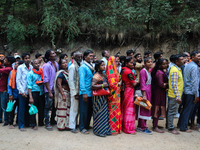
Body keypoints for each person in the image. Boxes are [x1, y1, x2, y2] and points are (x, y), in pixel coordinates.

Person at [178, 51, 200, 132]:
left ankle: (180, 124)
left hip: (186, 90)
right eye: (198, 56)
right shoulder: (194, 67)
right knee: (188, 110)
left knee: (184, 109)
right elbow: (194, 82)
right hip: (191, 91)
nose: (199, 58)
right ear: (192, 57)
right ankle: (183, 127)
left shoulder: (187, 65)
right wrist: (196, 94)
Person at [91, 60, 111, 137]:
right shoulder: (96, 76)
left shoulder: (104, 74)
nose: (104, 67)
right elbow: (92, 86)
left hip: (104, 96)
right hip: (98, 97)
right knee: (99, 113)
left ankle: (105, 130)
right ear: (98, 67)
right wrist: (103, 85)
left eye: (104, 65)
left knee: (104, 113)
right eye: (102, 65)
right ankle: (99, 131)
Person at [167, 54, 184, 134]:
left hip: (176, 94)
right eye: (182, 59)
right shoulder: (174, 70)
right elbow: (174, 84)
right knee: (172, 111)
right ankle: (170, 127)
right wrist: (177, 96)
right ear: (176, 61)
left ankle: (169, 125)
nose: (184, 60)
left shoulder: (177, 69)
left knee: (171, 110)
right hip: (174, 95)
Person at [79, 50, 94, 134]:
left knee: (89, 110)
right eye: (90, 56)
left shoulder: (90, 66)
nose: (91, 57)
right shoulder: (83, 67)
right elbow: (82, 81)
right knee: (83, 111)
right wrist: (84, 92)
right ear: (85, 57)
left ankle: (87, 125)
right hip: (85, 93)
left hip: (91, 92)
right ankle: (82, 127)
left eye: (92, 56)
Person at [105, 56, 122, 134]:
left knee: (116, 111)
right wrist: (119, 84)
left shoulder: (115, 70)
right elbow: (112, 84)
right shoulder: (110, 71)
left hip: (117, 94)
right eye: (116, 61)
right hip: (113, 95)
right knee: (113, 111)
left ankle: (117, 128)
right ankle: (113, 129)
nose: (117, 63)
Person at [121, 56, 137, 134]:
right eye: (131, 62)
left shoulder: (122, 69)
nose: (132, 64)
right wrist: (137, 80)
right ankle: (128, 128)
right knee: (129, 110)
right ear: (126, 63)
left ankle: (124, 126)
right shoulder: (128, 72)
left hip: (125, 90)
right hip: (129, 90)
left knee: (125, 108)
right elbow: (134, 83)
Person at [43, 50, 59, 131]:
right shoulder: (46, 66)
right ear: (49, 57)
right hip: (49, 89)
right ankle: (47, 122)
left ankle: (52, 120)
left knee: (54, 106)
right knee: (47, 106)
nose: (55, 54)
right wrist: (49, 92)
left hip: (55, 89)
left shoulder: (56, 64)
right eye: (53, 53)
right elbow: (45, 80)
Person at [16, 53, 33, 131]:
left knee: (28, 108)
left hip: (29, 91)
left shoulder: (31, 67)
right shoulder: (20, 68)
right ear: (23, 59)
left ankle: (27, 123)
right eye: (26, 58)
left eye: (28, 58)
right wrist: (22, 91)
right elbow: (18, 80)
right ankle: (21, 125)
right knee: (21, 109)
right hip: (22, 92)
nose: (27, 60)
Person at [151, 59, 168, 133]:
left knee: (158, 108)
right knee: (157, 108)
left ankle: (155, 124)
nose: (165, 65)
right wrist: (168, 84)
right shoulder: (159, 73)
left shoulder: (160, 72)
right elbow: (161, 84)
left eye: (166, 64)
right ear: (159, 65)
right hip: (158, 92)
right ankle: (155, 126)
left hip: (160, 92)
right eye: (164, 64)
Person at [136, 57, 153, 134]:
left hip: (148, 91)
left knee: (146, 107)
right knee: (143, 108)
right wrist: (144, 95)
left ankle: (140, 126)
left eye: (151, 62)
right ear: (145, 63)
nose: (150, 63)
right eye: (148, 62)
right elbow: (142, 83)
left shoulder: (148, 71)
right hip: (145, 92)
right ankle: (143, 127)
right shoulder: (143, 71)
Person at [27, 59, 45, 130]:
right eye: (35, 63)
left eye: (38, 63)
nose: (37, 65)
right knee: (33, 108)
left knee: (41, 108)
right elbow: (29, 86)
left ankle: (41, 122)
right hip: (34, 92)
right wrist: (30, 97)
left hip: (41, 92)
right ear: (33, 65)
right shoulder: (30, 73)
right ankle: (33, 124)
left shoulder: (41, 72)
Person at [54, 59, 70, 131]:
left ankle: (67, 125)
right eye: (63, 63)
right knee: (62, 110)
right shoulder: (60, 73)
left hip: (68, 93)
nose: (65, 64)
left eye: (66, 62)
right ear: (60, 65)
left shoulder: (68, 72)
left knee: (67, 110)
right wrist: (63, 94)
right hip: (63, 93)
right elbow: (59, 84)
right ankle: (61, 126)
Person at [68, 51, 82, 133]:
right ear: (74, 57)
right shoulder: (72, 67)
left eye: (81, 57)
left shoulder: (80, 66)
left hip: (79, 92)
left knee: (77, 109)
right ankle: (72, 126)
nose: (80, 58)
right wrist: (74, 93)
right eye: (78, 57)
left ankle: (75, 124)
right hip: (75, 92)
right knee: (74, 109)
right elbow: (71, 81)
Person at [7, 60, 23, 128]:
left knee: (20, 109)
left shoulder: (22, 72)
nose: (16, 65)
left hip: (21, 94)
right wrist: (10, 94)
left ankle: (17, 121)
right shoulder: (12, 72)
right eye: (15, 64)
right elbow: (9, 84)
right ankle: (10, 123)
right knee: (12, 109)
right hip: (14, 94)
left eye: (17, 64)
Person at [0, 56, 16, 126]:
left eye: (5, 60)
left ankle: (7, 120)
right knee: (5, 106)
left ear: (9, 62)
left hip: (5, 90)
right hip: (3, 89)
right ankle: (7, 120)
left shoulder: (9, 69)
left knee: (5, 106)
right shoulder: (7, 68)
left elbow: (1, 70)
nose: (4, 61)